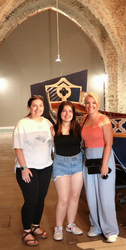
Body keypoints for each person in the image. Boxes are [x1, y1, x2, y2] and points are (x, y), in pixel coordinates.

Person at [13, 95, 54, 246]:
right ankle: (26, 232)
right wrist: (24, 168)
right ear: (29, 107)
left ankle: (35, 226)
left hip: (45, 167)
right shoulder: (22, 124)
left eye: (41, 106)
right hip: (28, 168)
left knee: (41, 198)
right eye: (34, 106)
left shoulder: (47, 123)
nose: (38, 108)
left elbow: (54, 143)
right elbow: (18, 147)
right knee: (31, 200)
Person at [81, 92, 119, 243]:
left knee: (105, 195)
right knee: (91, 194)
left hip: (104, 158)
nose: (90, 106)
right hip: (88, 159)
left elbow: (109, 143)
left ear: (98, 104)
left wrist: (105, 164)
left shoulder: (104, 120)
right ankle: (95, 226)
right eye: (88, 103)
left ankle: (111, 230)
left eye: (93, 103)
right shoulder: (84, 119)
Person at [51, 101, 84, 241]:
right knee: (63, 199)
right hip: (61, 164)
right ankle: (58, 227)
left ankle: (70, 224)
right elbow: (49, 148)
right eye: (64, 111)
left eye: (70, 111)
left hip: (77, 163)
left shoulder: (78, 128)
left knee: (75, 196)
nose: (67, 114)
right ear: (60, 113)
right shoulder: (53, 129)